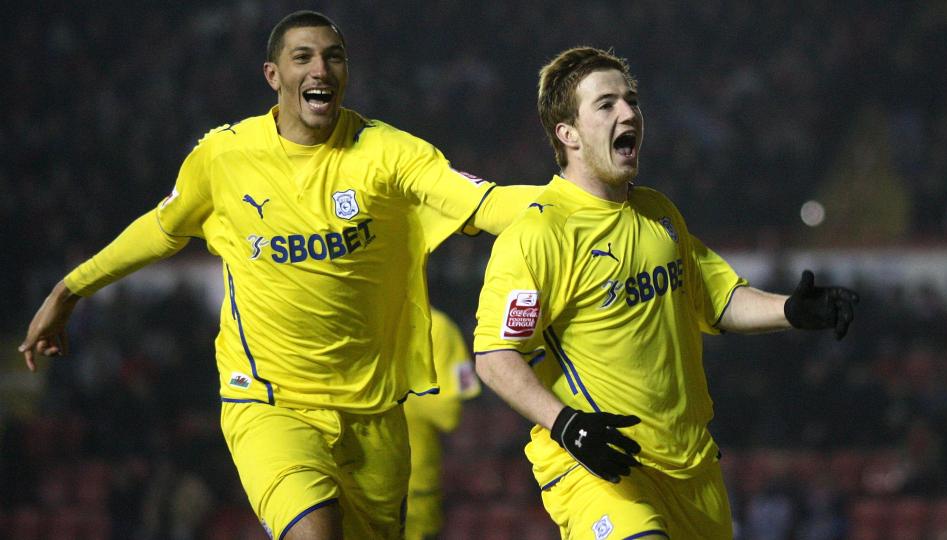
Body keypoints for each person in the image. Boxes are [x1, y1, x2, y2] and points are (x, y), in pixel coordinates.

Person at [19, 10, 539, 540]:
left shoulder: (388, 153)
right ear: (273, 75)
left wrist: (580, 210)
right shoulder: (225, 157)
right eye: (303, 57)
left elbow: (487, 202)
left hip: (375, 413)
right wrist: (69, 289)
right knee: (315, 532)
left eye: (333, 57)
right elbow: (161, 229)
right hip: (270, 402)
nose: (321, 68)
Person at [473, 47, 859, 539]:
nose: (629, 112)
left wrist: (792, 310)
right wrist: (567, 424)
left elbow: (715, 300)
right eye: (606, 104)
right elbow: (494, 355)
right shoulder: (538, 234)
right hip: (600, 465)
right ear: (567, 134)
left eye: (631, 100)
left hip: (691, 467)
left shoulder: (658, 213)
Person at [404, 306, 481, 540]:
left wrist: (388, 391)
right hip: (352, 483)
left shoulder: (438, 328)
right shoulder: (354, 319)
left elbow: (449, 413)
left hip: (413, 494)